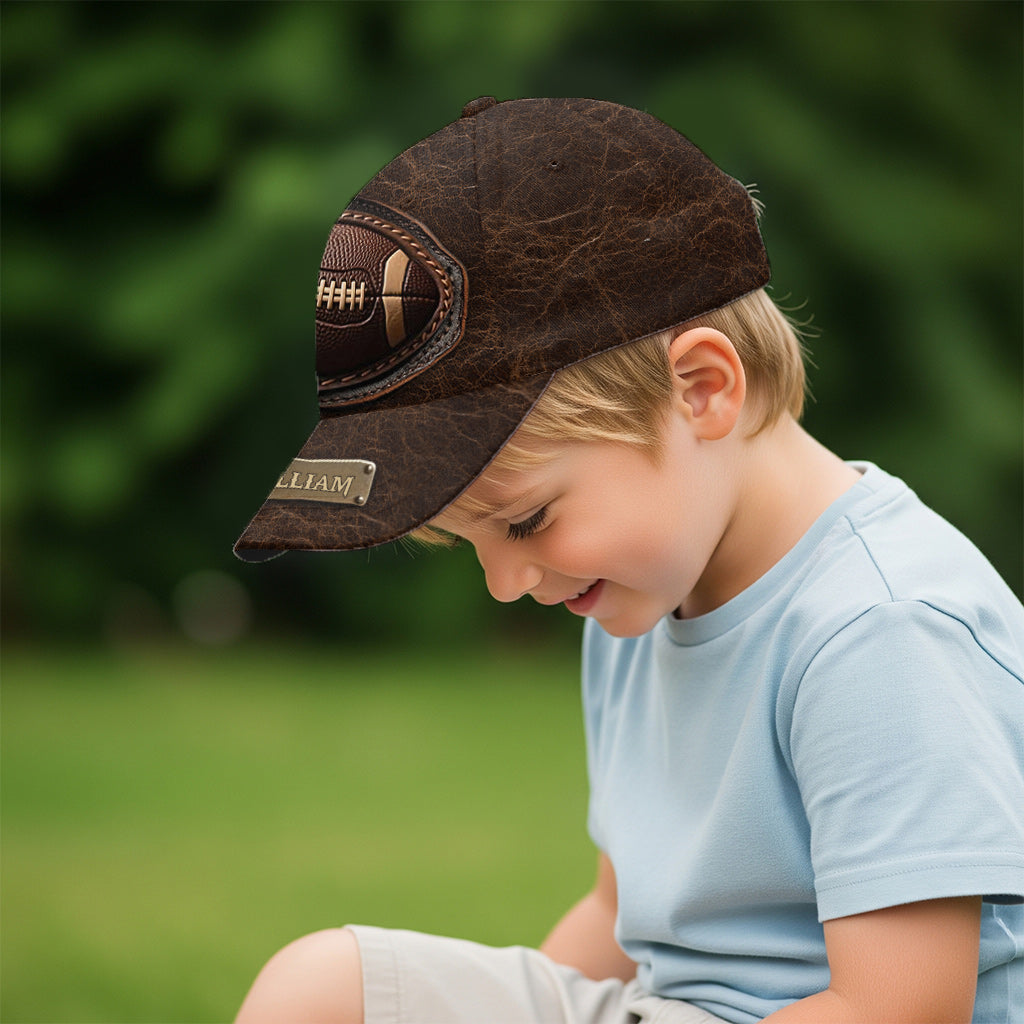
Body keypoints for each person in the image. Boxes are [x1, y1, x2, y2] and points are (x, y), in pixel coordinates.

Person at [232, 97, 1024, 1023]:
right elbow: (620, 918)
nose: (504, 583)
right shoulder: (633, 595)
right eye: (471, 542)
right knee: (322, 991)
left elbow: (899, 1009)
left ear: (701, 391)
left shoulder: (878, 629)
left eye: (524, 522)